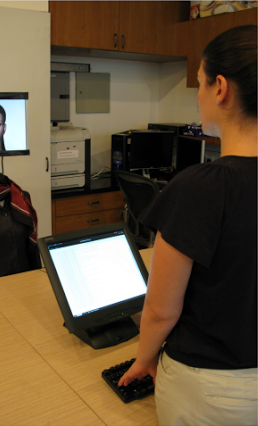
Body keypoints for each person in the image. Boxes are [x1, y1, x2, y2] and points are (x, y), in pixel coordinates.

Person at [118, 25, 257, 426]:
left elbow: (161, 310)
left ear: (220, 89)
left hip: (213, 391)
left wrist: (144, 360)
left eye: (198, 83)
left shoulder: (199, 188)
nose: (196, 95)